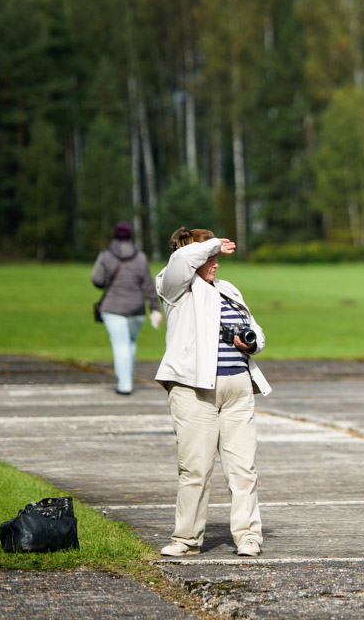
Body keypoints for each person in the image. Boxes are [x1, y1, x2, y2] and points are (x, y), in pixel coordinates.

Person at [155, 227, 269, 558]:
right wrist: (211, 244)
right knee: (195, 470)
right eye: (211, 256)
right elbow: (181, 259)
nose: (216, 261)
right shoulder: (174, 285)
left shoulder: (228, 288)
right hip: (194, 393)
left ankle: (248, 536)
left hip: (237, 390)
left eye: (217, 256)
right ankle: (186, 539)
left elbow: (256, 329)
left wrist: (250, 339)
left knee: (243, 469)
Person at [91, 221, 162, 394]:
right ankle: (127, 378)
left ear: (115, 235)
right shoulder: (140, 257)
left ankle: (125, 384)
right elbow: (148, 285)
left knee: (120, 344)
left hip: (112, 307)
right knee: (130, 343)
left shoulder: (106, 255)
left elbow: (97, 280)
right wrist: (155, 308)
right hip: (136, 309)